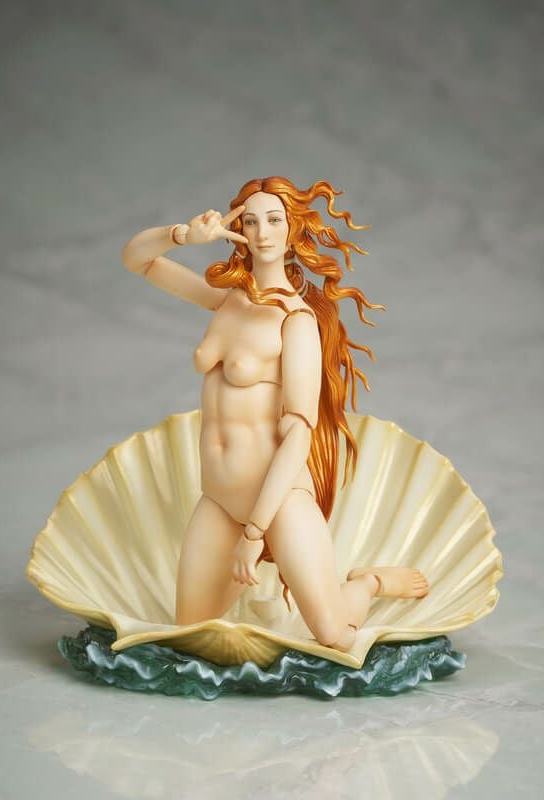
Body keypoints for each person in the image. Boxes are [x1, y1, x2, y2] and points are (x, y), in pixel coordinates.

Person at [121, 177, 428, 653]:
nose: (262, 232)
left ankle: (367, 583)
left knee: (335, 638)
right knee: (189, 635)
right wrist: (184, 235)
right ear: (238, 229)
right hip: (220, 499)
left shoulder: (297, 321)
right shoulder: (227, 299)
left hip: (278, 502)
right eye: (250, 221)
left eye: (274, 219)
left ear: (293, 229)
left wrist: (254, 533)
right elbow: (137, 260)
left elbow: (298, 435)